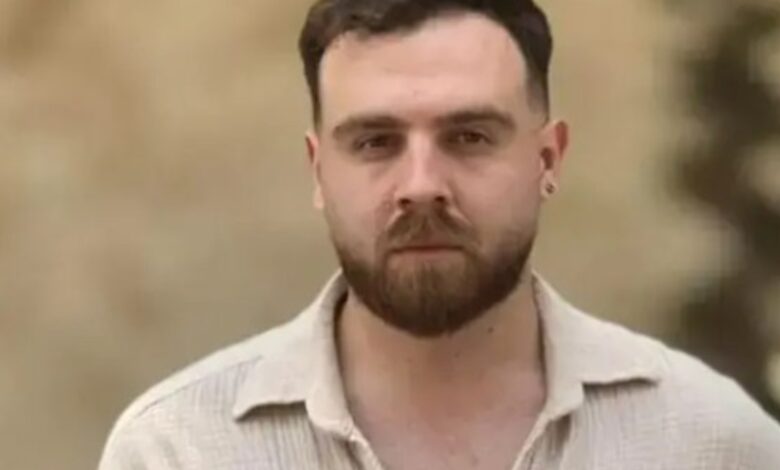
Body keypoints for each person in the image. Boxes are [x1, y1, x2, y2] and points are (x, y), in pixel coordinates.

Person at [98, 0, 780, 468]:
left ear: (548, 160)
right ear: (318, 169)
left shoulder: (713, 441)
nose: (421, 184)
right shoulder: (176, 449)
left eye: (469, 136)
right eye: (375, 141)